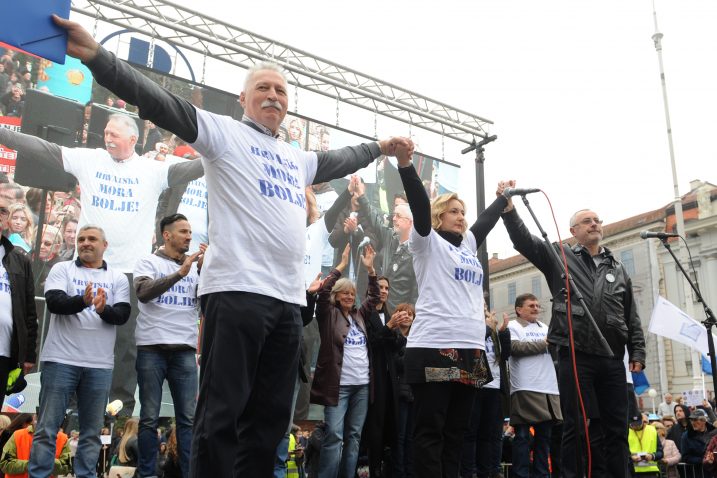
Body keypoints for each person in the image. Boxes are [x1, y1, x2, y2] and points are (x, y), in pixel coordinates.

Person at [51, 14, 413, 476]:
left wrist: (380, 145)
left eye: (281, 91)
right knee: (221, 416)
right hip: (236, 294)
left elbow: (341, 158)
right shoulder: (223, 134)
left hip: (286, 305)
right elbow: (161, 103)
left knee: (269, 422)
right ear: (244, 99)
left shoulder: (296, 159)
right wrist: (100, 59)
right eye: (263, 88)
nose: (273, 96)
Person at [0, 112, 204, 420]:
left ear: (133, 140)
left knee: (125, 348)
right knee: (75, 333)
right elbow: (42, 148)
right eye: (106, 132)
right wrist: (5, 135)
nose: (107, 138)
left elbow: (195, 167)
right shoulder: (89, 159)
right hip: (87, 267)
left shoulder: (154, 170)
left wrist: (228, 149)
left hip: (131, 271)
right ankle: (65, 407)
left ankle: (120, 413)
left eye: (114, 134)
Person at [498, 181, 646, 478]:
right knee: (577, 426)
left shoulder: (616, 266)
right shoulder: (559, 257)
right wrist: (510, 210)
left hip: (612, 356)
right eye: (586, 221)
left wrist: (638, 351)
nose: (594, 224)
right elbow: (525, 242)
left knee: (616, 427)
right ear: (573, 231)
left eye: (597, 220)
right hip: (576, 354)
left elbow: (630, 314)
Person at [396, 147, 508, 478]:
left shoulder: (467, 246)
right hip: (435, 347)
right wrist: (405, 166)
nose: (461, 216)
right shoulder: (426, 241)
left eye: (463, 212)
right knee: (431, 430)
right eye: (454, 211)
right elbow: (418, 203)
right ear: (438, 215)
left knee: (457, 433)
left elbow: (485, 222)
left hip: (470, 350)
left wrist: (502, 198)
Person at [28, 224, 131, 478]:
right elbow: (54, 303)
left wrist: (102, 309)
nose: (85, 242)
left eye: (92, 239)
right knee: (46, 429)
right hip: (60, 360)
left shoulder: (117, 278)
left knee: (92, 432)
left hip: (99, 365)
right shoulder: (62, 269)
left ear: (104, 246)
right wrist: (82, 301)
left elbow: (122, 315)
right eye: (82, 239)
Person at [134, 213, 201, 478]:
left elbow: (205, 305)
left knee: (188, 420)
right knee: (149, 418)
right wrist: (179, 273)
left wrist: (205, 271)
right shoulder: (148, 261)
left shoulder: (196, 267)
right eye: (183, 231)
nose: (189, 236)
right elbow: (143, 292)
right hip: (152, 347)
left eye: (190, 232)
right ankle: (147, 474)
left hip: (185, 349)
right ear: (167, 235)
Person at [312, 244, 379, 478]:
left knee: (354, 437)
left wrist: (371, 270)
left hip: (362, 385)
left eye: (352, 293)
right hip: (338, 387)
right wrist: (340, 266)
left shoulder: (359, 316)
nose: (350, 296)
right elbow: (322, 292)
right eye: (345, 293)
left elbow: (374, 296)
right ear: (336, 296)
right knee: (334, 436)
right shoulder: (327, 315)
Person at [507, 293, 562, 478]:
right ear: (518, 309)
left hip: (548, 387)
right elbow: (515, 348)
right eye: (531, 305)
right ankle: (521, 475)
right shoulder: (512, 326)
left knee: (544, 438)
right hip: (524, 386)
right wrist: (544, 343)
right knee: (522, 437)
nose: (536, 308)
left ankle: (542, 475)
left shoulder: (545, 327)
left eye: (537, 305)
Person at [362, 276, 410, 477]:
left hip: (391, 383)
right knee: (372, 431)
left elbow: (395, 347)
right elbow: (371, 343)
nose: (383, 291)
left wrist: (401, 332)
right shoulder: (364, 314)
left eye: (386, 288)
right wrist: (389, 327)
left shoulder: (390, 315)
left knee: (391, 432)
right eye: (380, 287)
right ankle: (368, 470)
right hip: (373, 379)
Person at [460, 307, 511, 478]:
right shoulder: (471, 327)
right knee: (471, 433)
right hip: (475, 386)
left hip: (494, 387)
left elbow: (504, 356)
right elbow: (469, 350)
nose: (486, 314)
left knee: (488, 434)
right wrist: (487, 329)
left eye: (487, 311)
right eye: (482, 311)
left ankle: (487, 472)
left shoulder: (494, 333)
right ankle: (469, 472)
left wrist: (503, 332)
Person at [0, 197, 37, 399]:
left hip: (5, 352)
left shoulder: (20, 260)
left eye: (3, 211)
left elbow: (30, 312)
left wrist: (29, 355)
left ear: (7, 220)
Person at [0, 419, 72, 478]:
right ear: (34, 417)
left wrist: (46, 462)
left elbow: (67, 466)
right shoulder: (18, 435)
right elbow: (5, 464)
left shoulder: (62, 438)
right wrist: (31, 464)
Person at [680, 409, 714, 478]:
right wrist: (703, 460)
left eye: (695, 420)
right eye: (691, 420)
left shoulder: (713, 432)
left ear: (704, 421)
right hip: (696, 472)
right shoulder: (686, 436)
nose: (693, 423)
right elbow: (685, 457)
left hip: (713, 472)